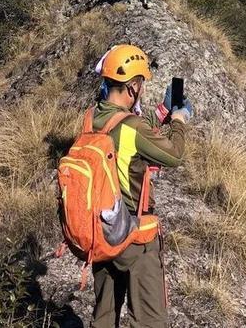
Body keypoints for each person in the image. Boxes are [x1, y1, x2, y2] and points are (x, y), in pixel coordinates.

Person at [91, 44, 193, 328]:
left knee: (104, 317)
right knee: (149, 320)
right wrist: (178, 121)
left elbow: (126, 125)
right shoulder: (133, 129)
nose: (143, 89)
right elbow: (173, 154)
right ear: (133, 87)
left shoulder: (92, 118)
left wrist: (160, 112)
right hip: (133, 237)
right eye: (142, 84)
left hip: (99, 230)